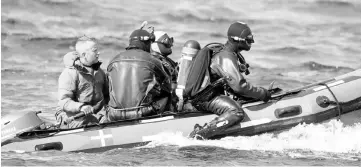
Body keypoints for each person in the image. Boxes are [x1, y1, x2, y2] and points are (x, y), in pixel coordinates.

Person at [189, 21, 272, 139]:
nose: (252, 41)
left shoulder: (230, 54)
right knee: (236, 112)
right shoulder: (225, 57)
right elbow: (240, 86)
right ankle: (199, 134)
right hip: (206, 98)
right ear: (236, 39)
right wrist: (262, 93)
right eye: (248, 39)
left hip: (211, 95)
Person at [104, 22, 172, 122]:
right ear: (146, 43)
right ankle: (166, 123)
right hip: (143, 113)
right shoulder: (152, 60)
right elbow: (167, 85)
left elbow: (108, 88)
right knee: (167, 94)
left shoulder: (113, 60)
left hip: (114, 114)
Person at [56, 36, 109, 128]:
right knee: (90, 122)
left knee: (111, 120)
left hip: (92, 116)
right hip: (69, 117)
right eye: (95, 51)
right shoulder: (70, 73)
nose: (98, 53)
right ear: (84, 55)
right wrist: (82, 107)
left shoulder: (100, 73)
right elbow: (64, 101)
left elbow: (107, 97)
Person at [151, 31, 178, 111]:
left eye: (171, 41)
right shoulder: (156, 61)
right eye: (167, 42)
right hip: (162, 105)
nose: (171, 45)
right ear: (155, 45)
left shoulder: (167, 60)